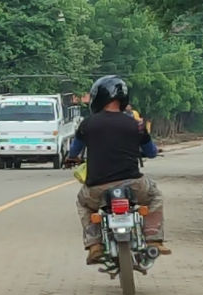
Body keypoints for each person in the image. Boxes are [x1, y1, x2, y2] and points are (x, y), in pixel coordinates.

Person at [66, 75, 171, 265]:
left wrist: (71, 158)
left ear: (99, 97)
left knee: (83, 203)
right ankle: (154, 238)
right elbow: (151, 152)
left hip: (97, 188)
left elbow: (74, 151)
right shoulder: (136, 125)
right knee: (155, 196)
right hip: (134, 184)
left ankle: (95, 244)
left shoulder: (87, 124)